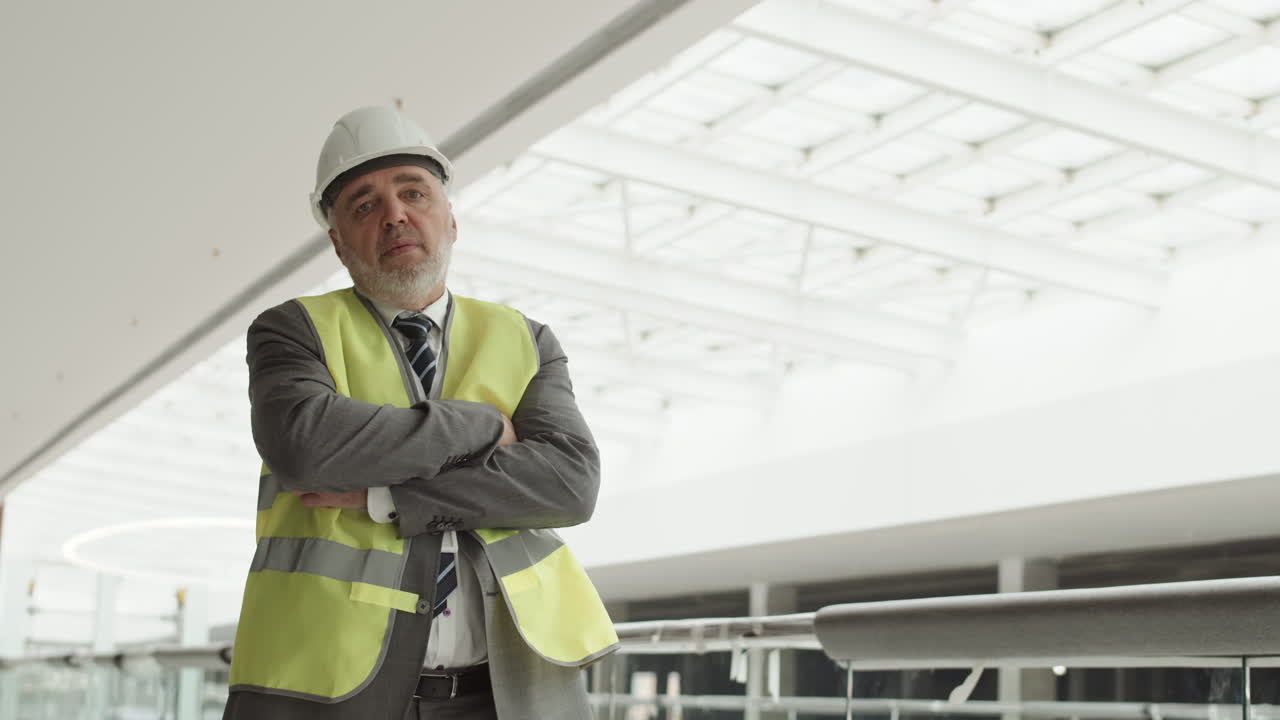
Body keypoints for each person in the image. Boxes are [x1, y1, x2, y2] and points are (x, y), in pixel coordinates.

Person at [222, 106, 618, 720]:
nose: (394, 215)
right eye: (364, 205)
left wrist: (389, 498)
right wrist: (484, 424)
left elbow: (569, 483)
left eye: (414, 193)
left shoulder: (527, 339)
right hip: (327, 690)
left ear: (450, 219)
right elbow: (307, 449)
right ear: (337, 241)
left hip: (510, 694)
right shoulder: (293, 330)